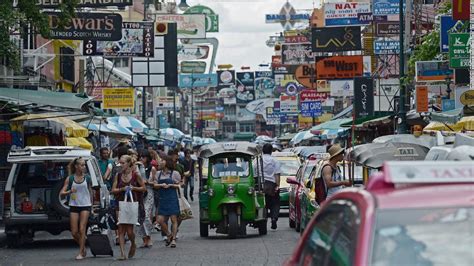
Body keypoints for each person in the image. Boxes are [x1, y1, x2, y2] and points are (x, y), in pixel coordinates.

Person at [111, 155, 146, 260]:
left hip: (132, 204)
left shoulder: (135, 175)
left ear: (128, 164)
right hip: (120, 204)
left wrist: (133, 188)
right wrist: (122, 189)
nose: (120, 165)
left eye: (123, 163)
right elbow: (113, 190)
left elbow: (143, 188)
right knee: (121, 230)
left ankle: (133, 243)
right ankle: (122, 254)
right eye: (120, 163)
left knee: (130, 231)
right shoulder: (118, 175)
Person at [60, 157, 93, 260]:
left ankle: (81, 252)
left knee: (82, 229)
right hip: (74, 205)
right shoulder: (70, 179)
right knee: (74, 232)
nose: (83, 167)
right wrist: (69, 192)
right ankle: (82, 245)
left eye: (84, 165)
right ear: (76, 166)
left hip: (85, 205)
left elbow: (91, 192)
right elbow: (62, 193)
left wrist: (91, 205)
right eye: (82, 165)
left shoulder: (87, 178)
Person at [152, 156, 181, 248]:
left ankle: (173, 240)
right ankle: (169, 234)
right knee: (160, 220)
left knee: (174, 220)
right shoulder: (157, 173)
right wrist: (161, 185)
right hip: (162, 199)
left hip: (172, 198)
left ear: (167, 162)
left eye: (162, 161)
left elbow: (179, 185)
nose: (160, 162)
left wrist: (170, 185)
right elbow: (155, 185)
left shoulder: (175, 173)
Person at [137, 150, 155, 248]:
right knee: (139, 217)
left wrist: (148, 182)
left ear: (147, 158)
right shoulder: (137, 168)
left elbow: (155, 182)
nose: (141, 159)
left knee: (147, 216)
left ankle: (149, 237)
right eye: (140, 157)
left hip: (148, 192)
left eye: (143, 157)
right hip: (139, 193)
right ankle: (144, 239)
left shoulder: (152, 169)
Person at [261, 143, 281, 231]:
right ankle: (273, 218)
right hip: (271, 185)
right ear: (271, 151)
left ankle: (262, 220)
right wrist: (277, 185)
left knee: (262, 204)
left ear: (262, 150)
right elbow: (277, 174)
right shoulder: (274, 161)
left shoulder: (257, 160)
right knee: (275, 204)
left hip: (260, 185)